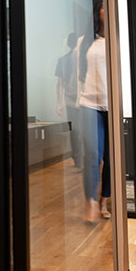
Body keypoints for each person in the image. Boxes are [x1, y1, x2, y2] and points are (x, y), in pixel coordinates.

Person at [78, 0, 111, 222]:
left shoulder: (120, 39)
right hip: (89, 102)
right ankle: (90, 201)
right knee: (92, 154)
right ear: (96, 12)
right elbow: (80, 73)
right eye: (102, 6)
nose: (105, 10)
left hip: (114, 105)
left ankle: (105, 200)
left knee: (111, 157)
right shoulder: (84, 41)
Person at [55, 32, 82, 169]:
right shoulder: (80, 58)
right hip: (80, 100)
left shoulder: (63, 59)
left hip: (71, 100)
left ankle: (78, 159)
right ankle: (79, 159)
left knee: (75, 131)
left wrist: (59, 103)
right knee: (78, 131)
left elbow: (59, 84)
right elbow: (60, 83)